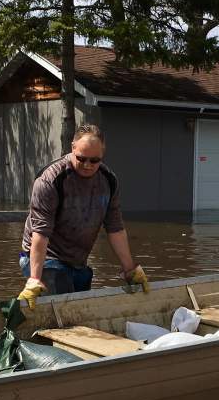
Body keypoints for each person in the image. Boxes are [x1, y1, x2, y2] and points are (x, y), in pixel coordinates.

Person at [17, 124, 148, 307]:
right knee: (63, 309)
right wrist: (34, 279)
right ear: (73, 148)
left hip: (78, 261)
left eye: (94, 160)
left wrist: (130, 270)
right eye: (81, 158)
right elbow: (40, 233)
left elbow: (115, 228)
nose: (87, 165)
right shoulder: (51, 180)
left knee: (79, 311)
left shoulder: (108, 181)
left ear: (103, 154)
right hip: (45, 258)